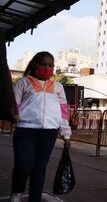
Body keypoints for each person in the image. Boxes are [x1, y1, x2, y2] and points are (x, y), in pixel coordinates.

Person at [10, 51, 71, 202]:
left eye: (50, 65)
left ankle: (35, 199)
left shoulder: (58, 87)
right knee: (24, 166)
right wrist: (14, 115)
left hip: (49, 132)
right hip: (25, 130)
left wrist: (66, 134)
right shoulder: (22, 83)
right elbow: (13, 106)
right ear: (35, 65)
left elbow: (63, 111)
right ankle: (17, 193)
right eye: (44, 64)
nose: (47, 68)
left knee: (39, 168)